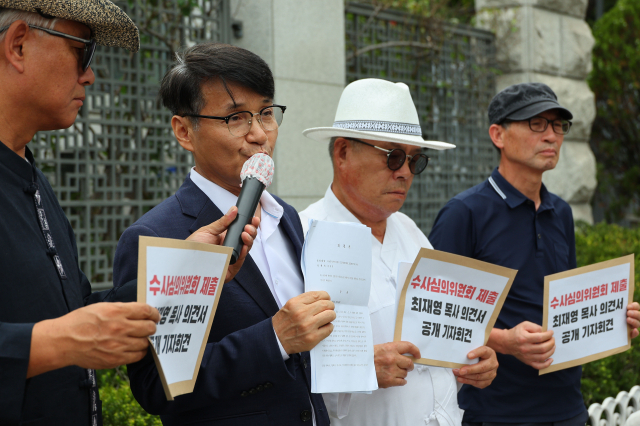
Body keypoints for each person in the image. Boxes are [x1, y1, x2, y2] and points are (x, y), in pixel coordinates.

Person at [0, 2, 256, 425]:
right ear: (19, 45)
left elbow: (79, 311)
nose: (90, 74)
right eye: (83, 51)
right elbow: (67, 332)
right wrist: (51, 343)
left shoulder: (33, 180)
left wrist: (187, 270)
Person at [112, 42, 335, 426]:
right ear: (184, 131)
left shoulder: (288, 219)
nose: (259, 134)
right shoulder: (156, 236)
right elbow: (155, 386)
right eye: (235, 118)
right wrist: (274, 340)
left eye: (266, 112)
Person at [428, 82, 640, 425]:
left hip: (568, 407)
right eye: (536, 124)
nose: (552, 136)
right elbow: (436, 321)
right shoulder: (464, 213)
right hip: (497, 412)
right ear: (498, 134)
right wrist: (505, 341)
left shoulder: (561, 212)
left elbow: (562, 307)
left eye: (558, 125)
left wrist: (611, 322)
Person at [299, 78, 499, 426]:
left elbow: (444, 331)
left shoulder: (409, 230)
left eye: (415, 160)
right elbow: (285, 366)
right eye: (393, 157)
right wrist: (362, 367)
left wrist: (475, 359)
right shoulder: (304, 237)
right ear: (343, 152)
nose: (406, 173)